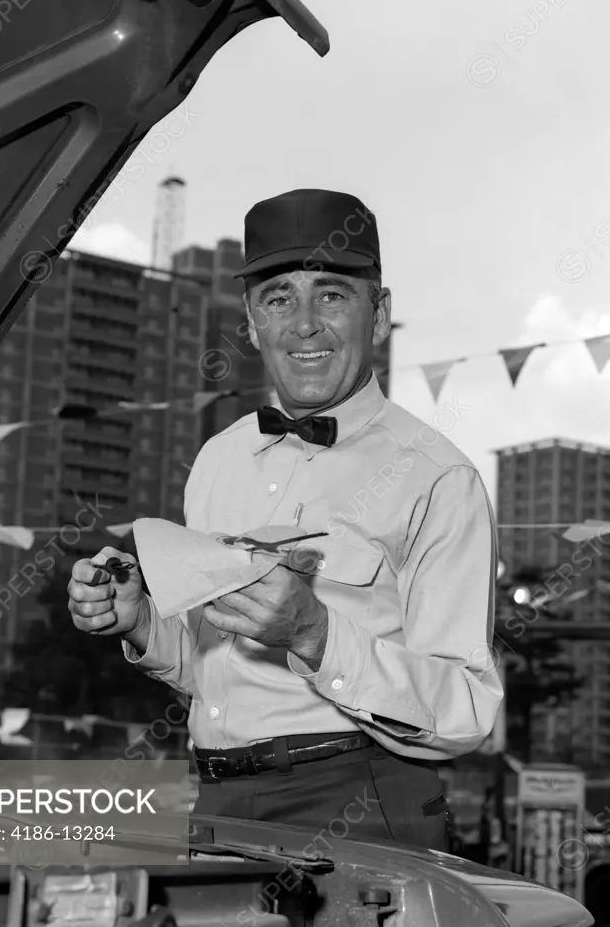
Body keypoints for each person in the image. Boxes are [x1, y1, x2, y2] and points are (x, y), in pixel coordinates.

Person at [68, 188, 503, 851]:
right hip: (217, 799)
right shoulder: (217, 459)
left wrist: (314, 632)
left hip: (359, 800)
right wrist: (142, 624)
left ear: (379, 313)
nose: (303, 324)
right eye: (278, 299)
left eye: (331, 294)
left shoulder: (438, 477)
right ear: (249, 322)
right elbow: (217, 672)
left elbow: (466, 713)